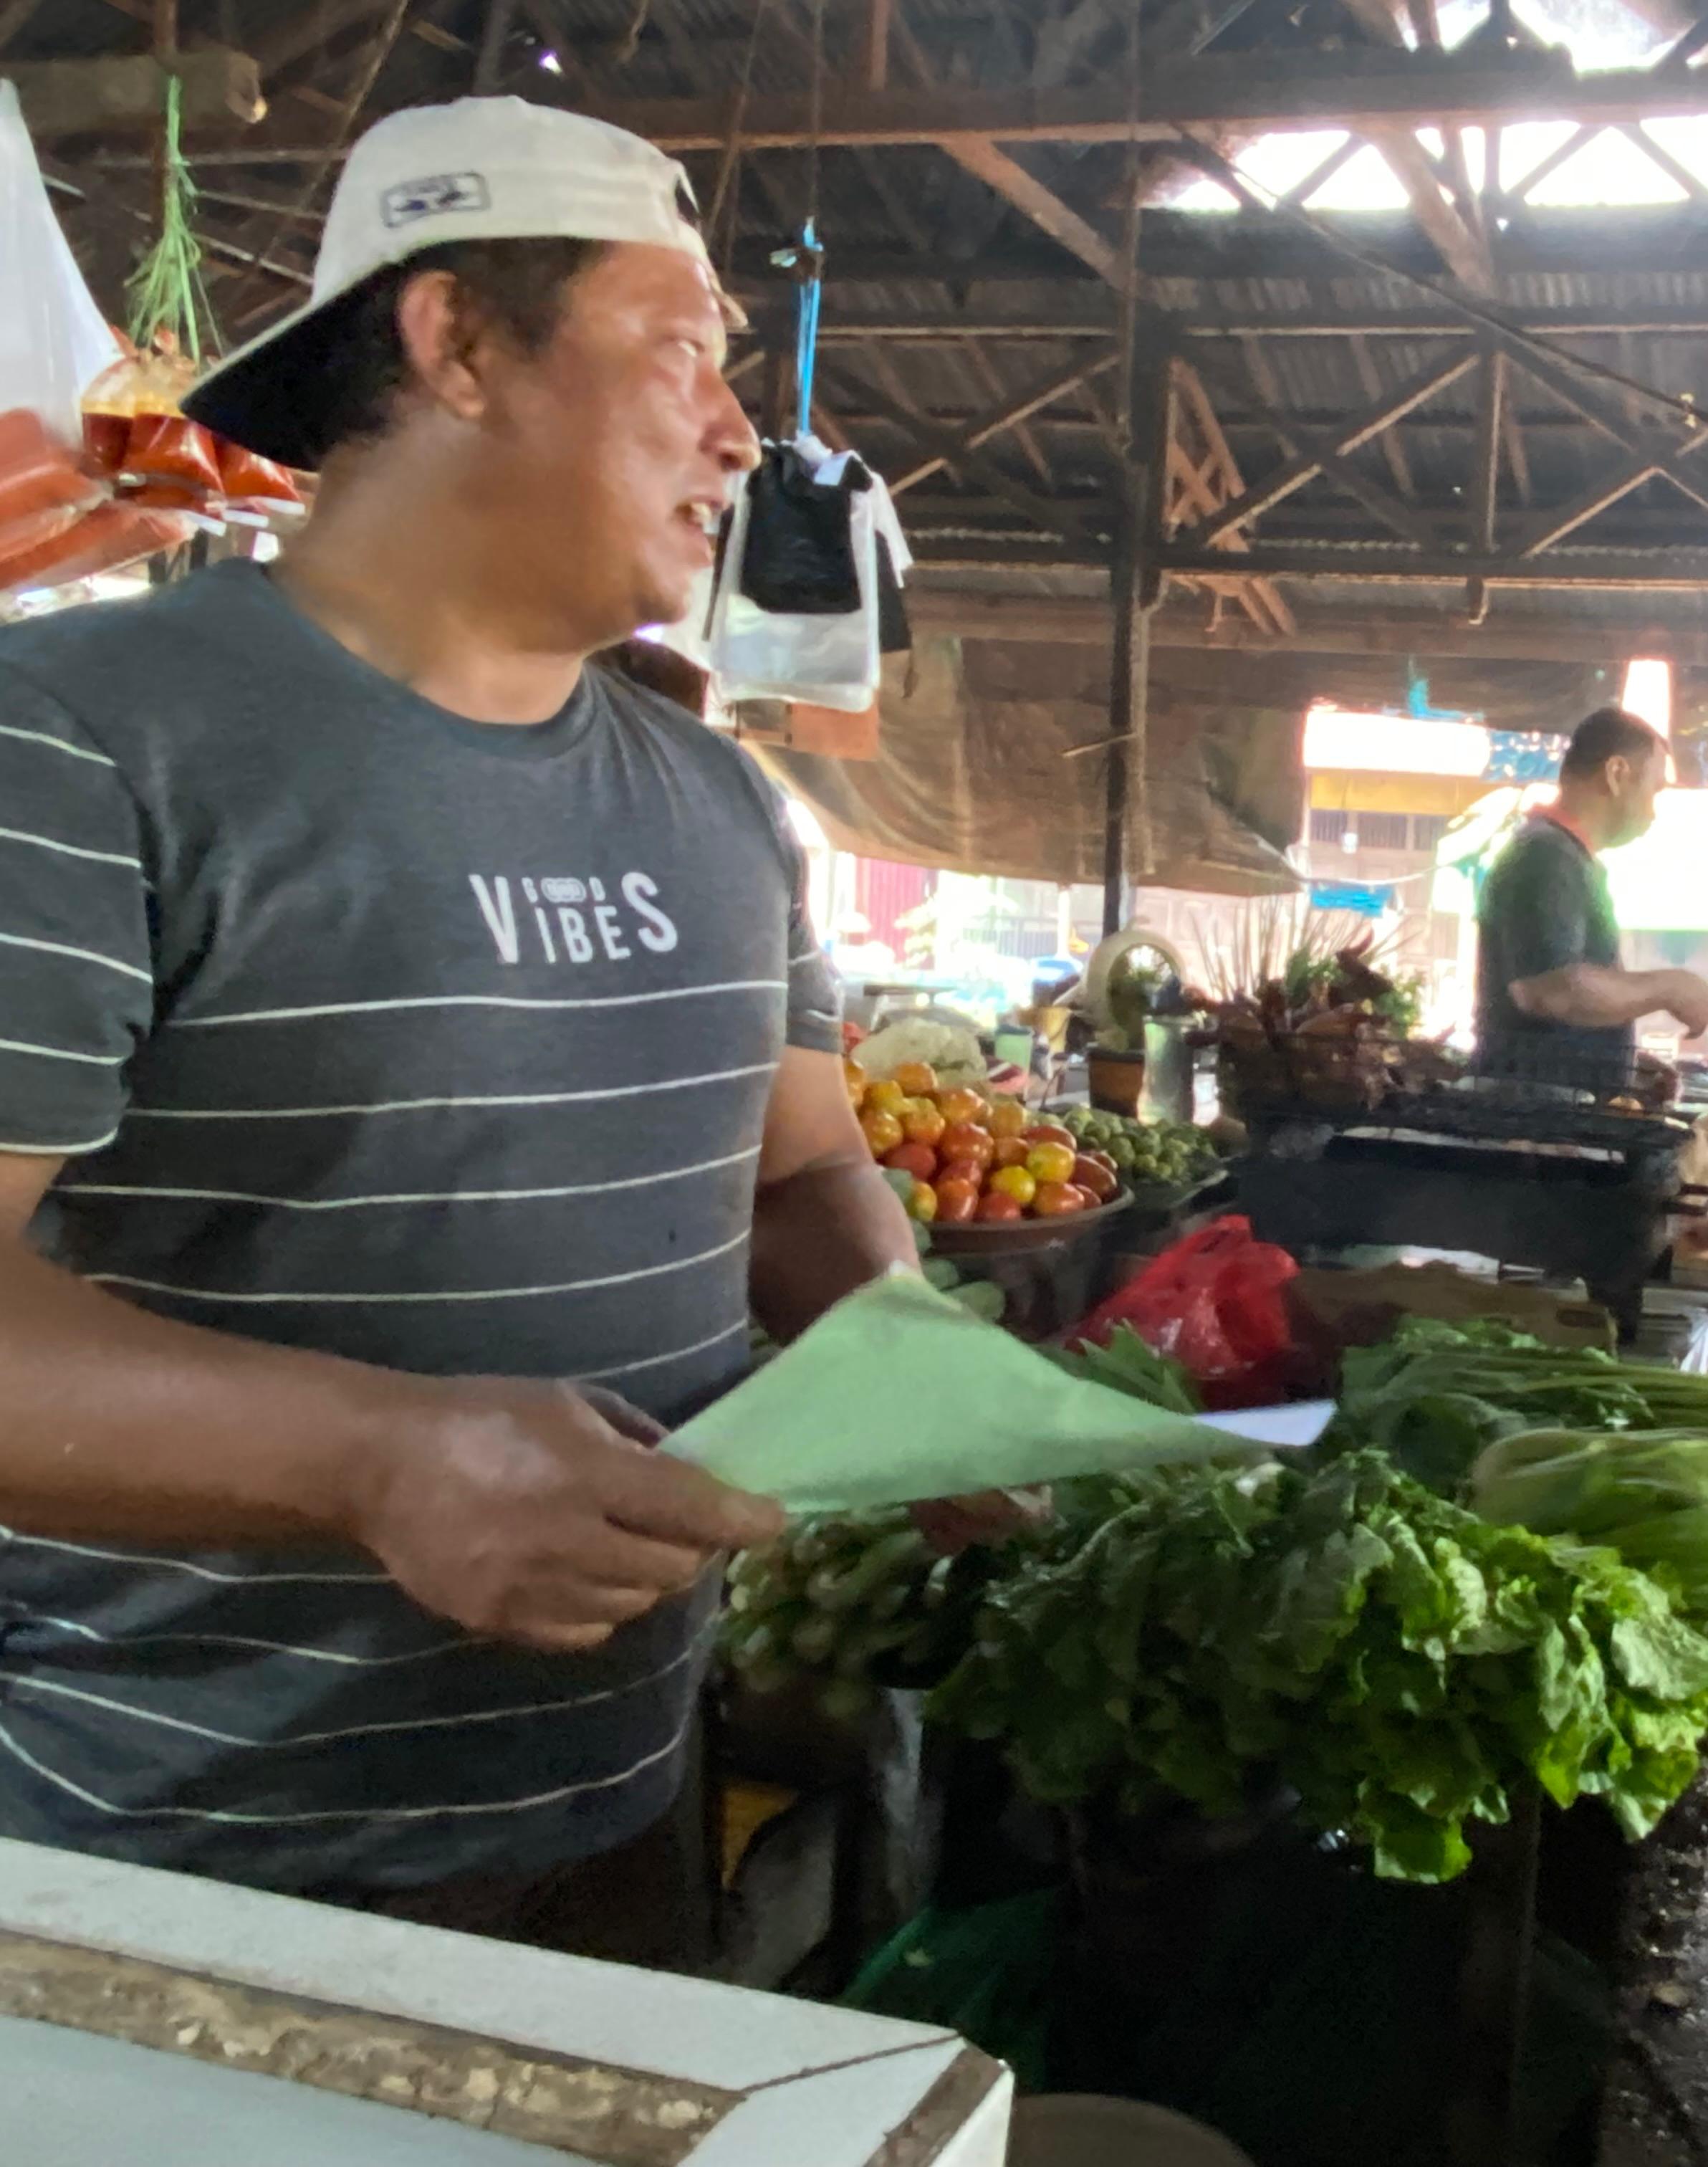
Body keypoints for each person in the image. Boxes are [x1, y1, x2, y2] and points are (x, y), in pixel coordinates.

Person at [0, 99, 929, 1958]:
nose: (739, 435)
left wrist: (910, 1365)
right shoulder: (75, 739)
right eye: (682, 351)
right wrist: (376, 1463)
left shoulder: (723, 805)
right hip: (168, 1865)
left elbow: (802, 1177)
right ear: (459, 344)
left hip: (621, 1810)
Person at [1472, 706, 1708, 1092]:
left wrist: (1623, 1062)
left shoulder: (1565, 857)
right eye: (1654, 790)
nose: (1653, 813)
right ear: (1617, 774)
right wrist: (1670, 987)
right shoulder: (1545, 856)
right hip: (1535, 1117)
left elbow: (1568, 1005)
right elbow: (1550, 991)